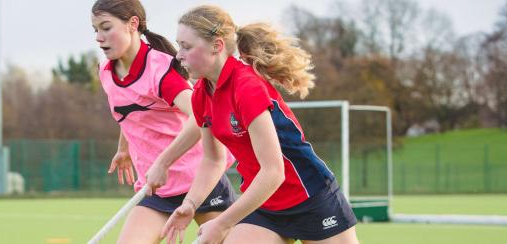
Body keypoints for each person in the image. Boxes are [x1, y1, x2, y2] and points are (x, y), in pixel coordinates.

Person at [161, 5, 359, 244]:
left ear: (217, 46)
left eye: (186, 46)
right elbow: (213, 160)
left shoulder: (246, 87)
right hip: (263, 203)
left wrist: (223, 223)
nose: (178, 55)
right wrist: (190, 205)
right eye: (179, 45)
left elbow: (274, 171)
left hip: (311, 197)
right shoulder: (201, 94)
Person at [90, 1, 237, 243]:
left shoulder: (160, 71)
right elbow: (129, 110)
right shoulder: (106, 72)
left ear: (132, 24)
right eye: (95, 30)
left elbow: (202, 116)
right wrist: (123, 148)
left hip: (199, 180)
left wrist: (163, 162)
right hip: (156, 188)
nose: (99, 37)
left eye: (106, 28)